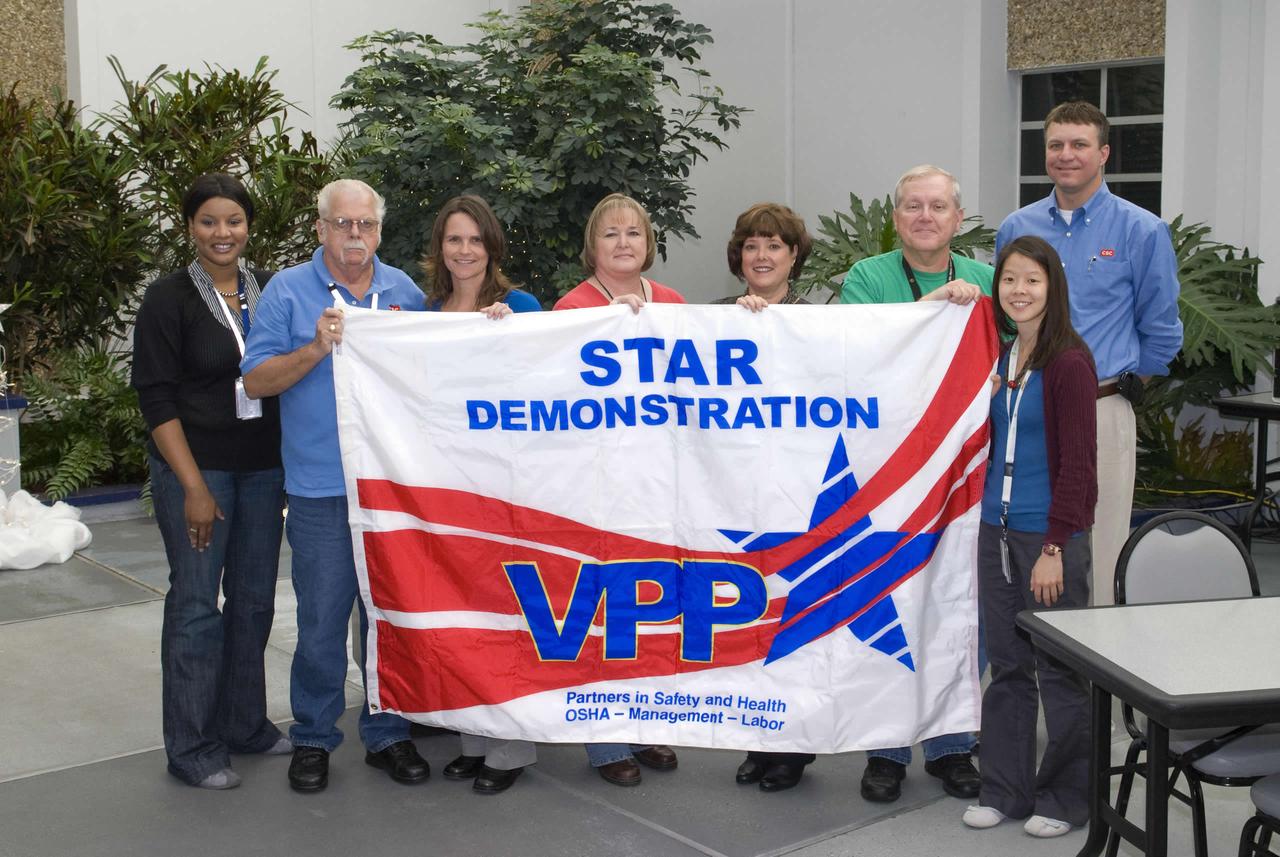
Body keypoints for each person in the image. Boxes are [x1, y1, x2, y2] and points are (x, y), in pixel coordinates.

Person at [241, 178, 430, 793]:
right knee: (322, 620)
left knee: (388, 618)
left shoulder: (404, 291)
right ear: (320, 228)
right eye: (343, 224)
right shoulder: (287, 291)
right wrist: (316, 347)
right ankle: (315, 738)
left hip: (390, 487)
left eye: (366, 225)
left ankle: (388, 733)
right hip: (321, 487)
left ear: (379, 230)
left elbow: (437, 373)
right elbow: (257, 381)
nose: (356, 236)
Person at [131, 173, 290, 790]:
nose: (223, 234)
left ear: (249, 227)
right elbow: (156, 398)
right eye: (209, 222)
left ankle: (245, 724)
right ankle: (193, 746)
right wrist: (193, 485)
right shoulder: (167, 299)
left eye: (234, 221)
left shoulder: (268, 293)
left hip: (263, 470)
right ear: (189, 226)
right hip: (197, 471)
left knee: (252, 603)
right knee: (198, 606)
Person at [995, 101, 1182, 607]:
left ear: (1103, 153)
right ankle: (1025, 676)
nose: (1066, 155)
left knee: (1099, 549)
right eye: (1056, 145)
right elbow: (1004, 312)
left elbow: (1162, 330)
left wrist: (1124, 387)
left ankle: (1094, 682)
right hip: (1024, 411)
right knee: (1024, 541)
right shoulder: (1017, 227)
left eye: (1079, 144)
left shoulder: (1140, 230)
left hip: (1100, 410)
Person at [841, 165, 989, 804]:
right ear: (895, 217)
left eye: (937, 207)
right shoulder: (868, 278)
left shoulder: (987, 281)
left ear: (958, 218)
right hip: (889, 472)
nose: (925, 216)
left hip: (962, 474)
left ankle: (952, 746)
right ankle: (886, 749)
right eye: (912, 207)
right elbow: (850, 352)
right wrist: (927, 309)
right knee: (892, 604)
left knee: (957, 601)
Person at [961, 235, 1096, 839]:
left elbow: (1080, 468)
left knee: (1061, 672)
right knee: (1009, 667)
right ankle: (1005, 789)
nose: (1018, 291)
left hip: (1047, 537)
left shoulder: (1068, 361)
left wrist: (1055, 549)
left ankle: (1066, 797)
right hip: (996, 530)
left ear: (1053, 288)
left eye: (1031, 281)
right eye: (1009, 280)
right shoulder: (1002, 355)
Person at [552, 192, 681, 786]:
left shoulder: (677, 306)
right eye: (611, 234)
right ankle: (606, 742)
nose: (624, 242)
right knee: (603, 611)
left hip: (662, 487)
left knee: (654, 607)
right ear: (592, 245)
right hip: (596, 489)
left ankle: (649, 724)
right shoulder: (572, 308)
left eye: (634, 232)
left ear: (648, 243)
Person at [422, 194, 540, 794]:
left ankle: (512, 745)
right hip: (444, 491)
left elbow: (549, 379)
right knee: (462, 615)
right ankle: (473, 736)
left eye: (474, 240)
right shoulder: (423, 312)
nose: (464, 251)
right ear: (440, 248)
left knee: (505, 615)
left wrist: (515, 337)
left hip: (504, 491)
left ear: (491, 247)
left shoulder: (517, 306)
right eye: (453, 240)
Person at [716, 202, 816, 791]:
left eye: (774, 246)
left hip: (797, 496)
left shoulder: (816, 320)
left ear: (793, 255)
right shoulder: (714, 318)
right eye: (752, 245)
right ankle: (757, 740)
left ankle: (792, 750)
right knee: (748, 620)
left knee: (792, 623)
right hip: (733, 497)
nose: (762, 256)